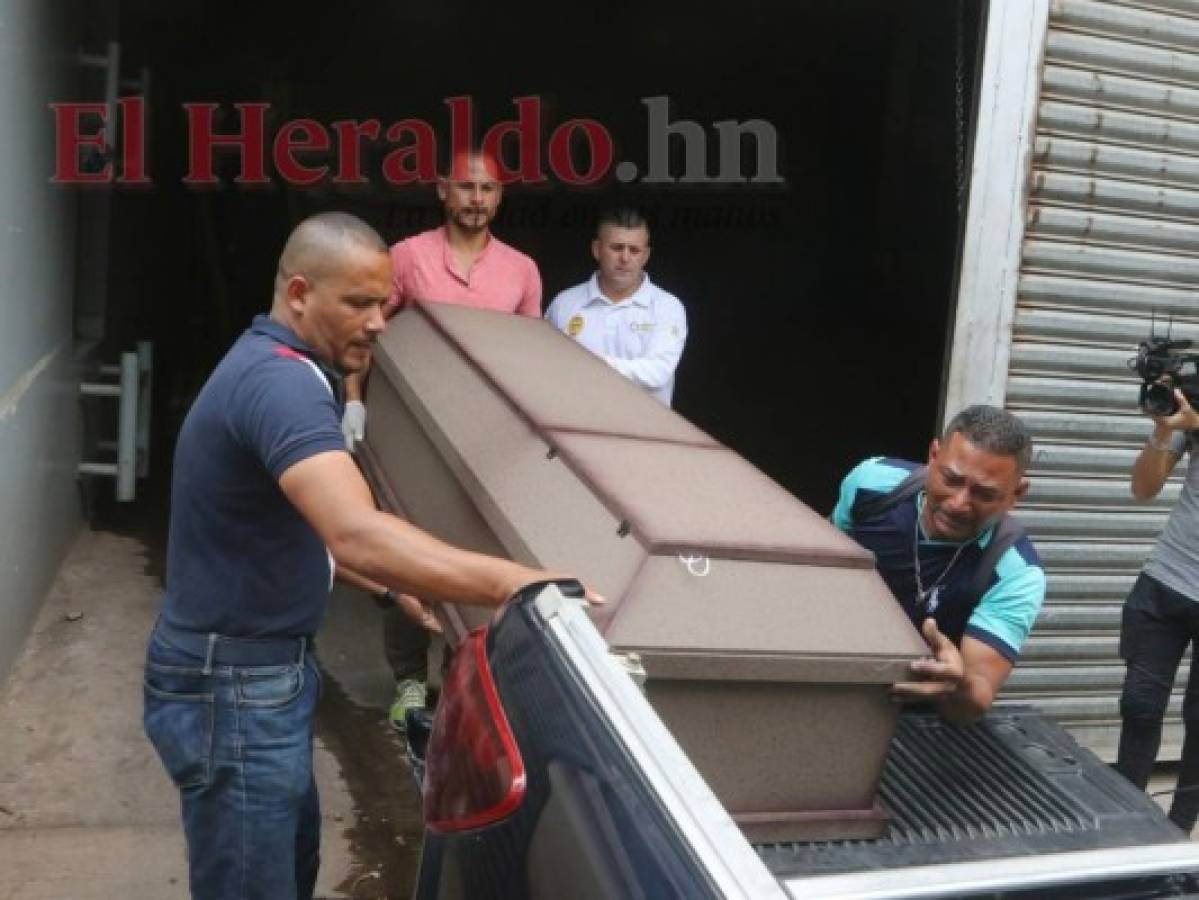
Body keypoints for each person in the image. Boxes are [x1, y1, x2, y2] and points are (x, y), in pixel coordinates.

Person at [142, 212, 587, 900]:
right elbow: (354, 530)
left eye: (383, 301)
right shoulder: (281, 386)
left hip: (259, 674)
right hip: (231, 687)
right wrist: (522, 584)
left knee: (286, 870)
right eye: (359, 303)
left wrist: (390, 592)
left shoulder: (287, 370)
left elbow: (298, 530)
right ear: (298, 294)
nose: (380, 320)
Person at [341, 149, 543, 734]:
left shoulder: (521, 271)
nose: (476, 200)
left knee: (473, 557)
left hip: (485, 441)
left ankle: (460, 683)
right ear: (441, 191)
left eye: (487, 189)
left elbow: (529, 360)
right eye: (465, 187)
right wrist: (354, 399)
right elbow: (366, 332)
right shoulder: (406, 258)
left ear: (500, 197)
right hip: (409, 435)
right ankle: (408, 683)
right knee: (405, 550)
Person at [831, 405, 1045, 723]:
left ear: (1017, 493)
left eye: (983, 494)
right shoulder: (871, 485)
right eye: (951, 479)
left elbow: (974, 702)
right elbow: (824, 572)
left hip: (916, 719)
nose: (958, 503)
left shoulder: (1015, 572)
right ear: (933, 455)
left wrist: (958, 684)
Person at [1115, 389, 1199, 833]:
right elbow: (1143, 489)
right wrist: (1164, 431)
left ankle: (1180, 828)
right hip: (1166, 581)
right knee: (1139, 706)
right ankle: (1129, 822)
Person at [545, 208, 687, 406]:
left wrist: (589, 364)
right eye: (617, 248)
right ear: (597, 249)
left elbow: (658, 372)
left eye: (634, 250)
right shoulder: (564, 303)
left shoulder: (667, 307)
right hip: (577, 428)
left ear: (646, 256)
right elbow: (547, 369)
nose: (625, 258)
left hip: (644, 431)